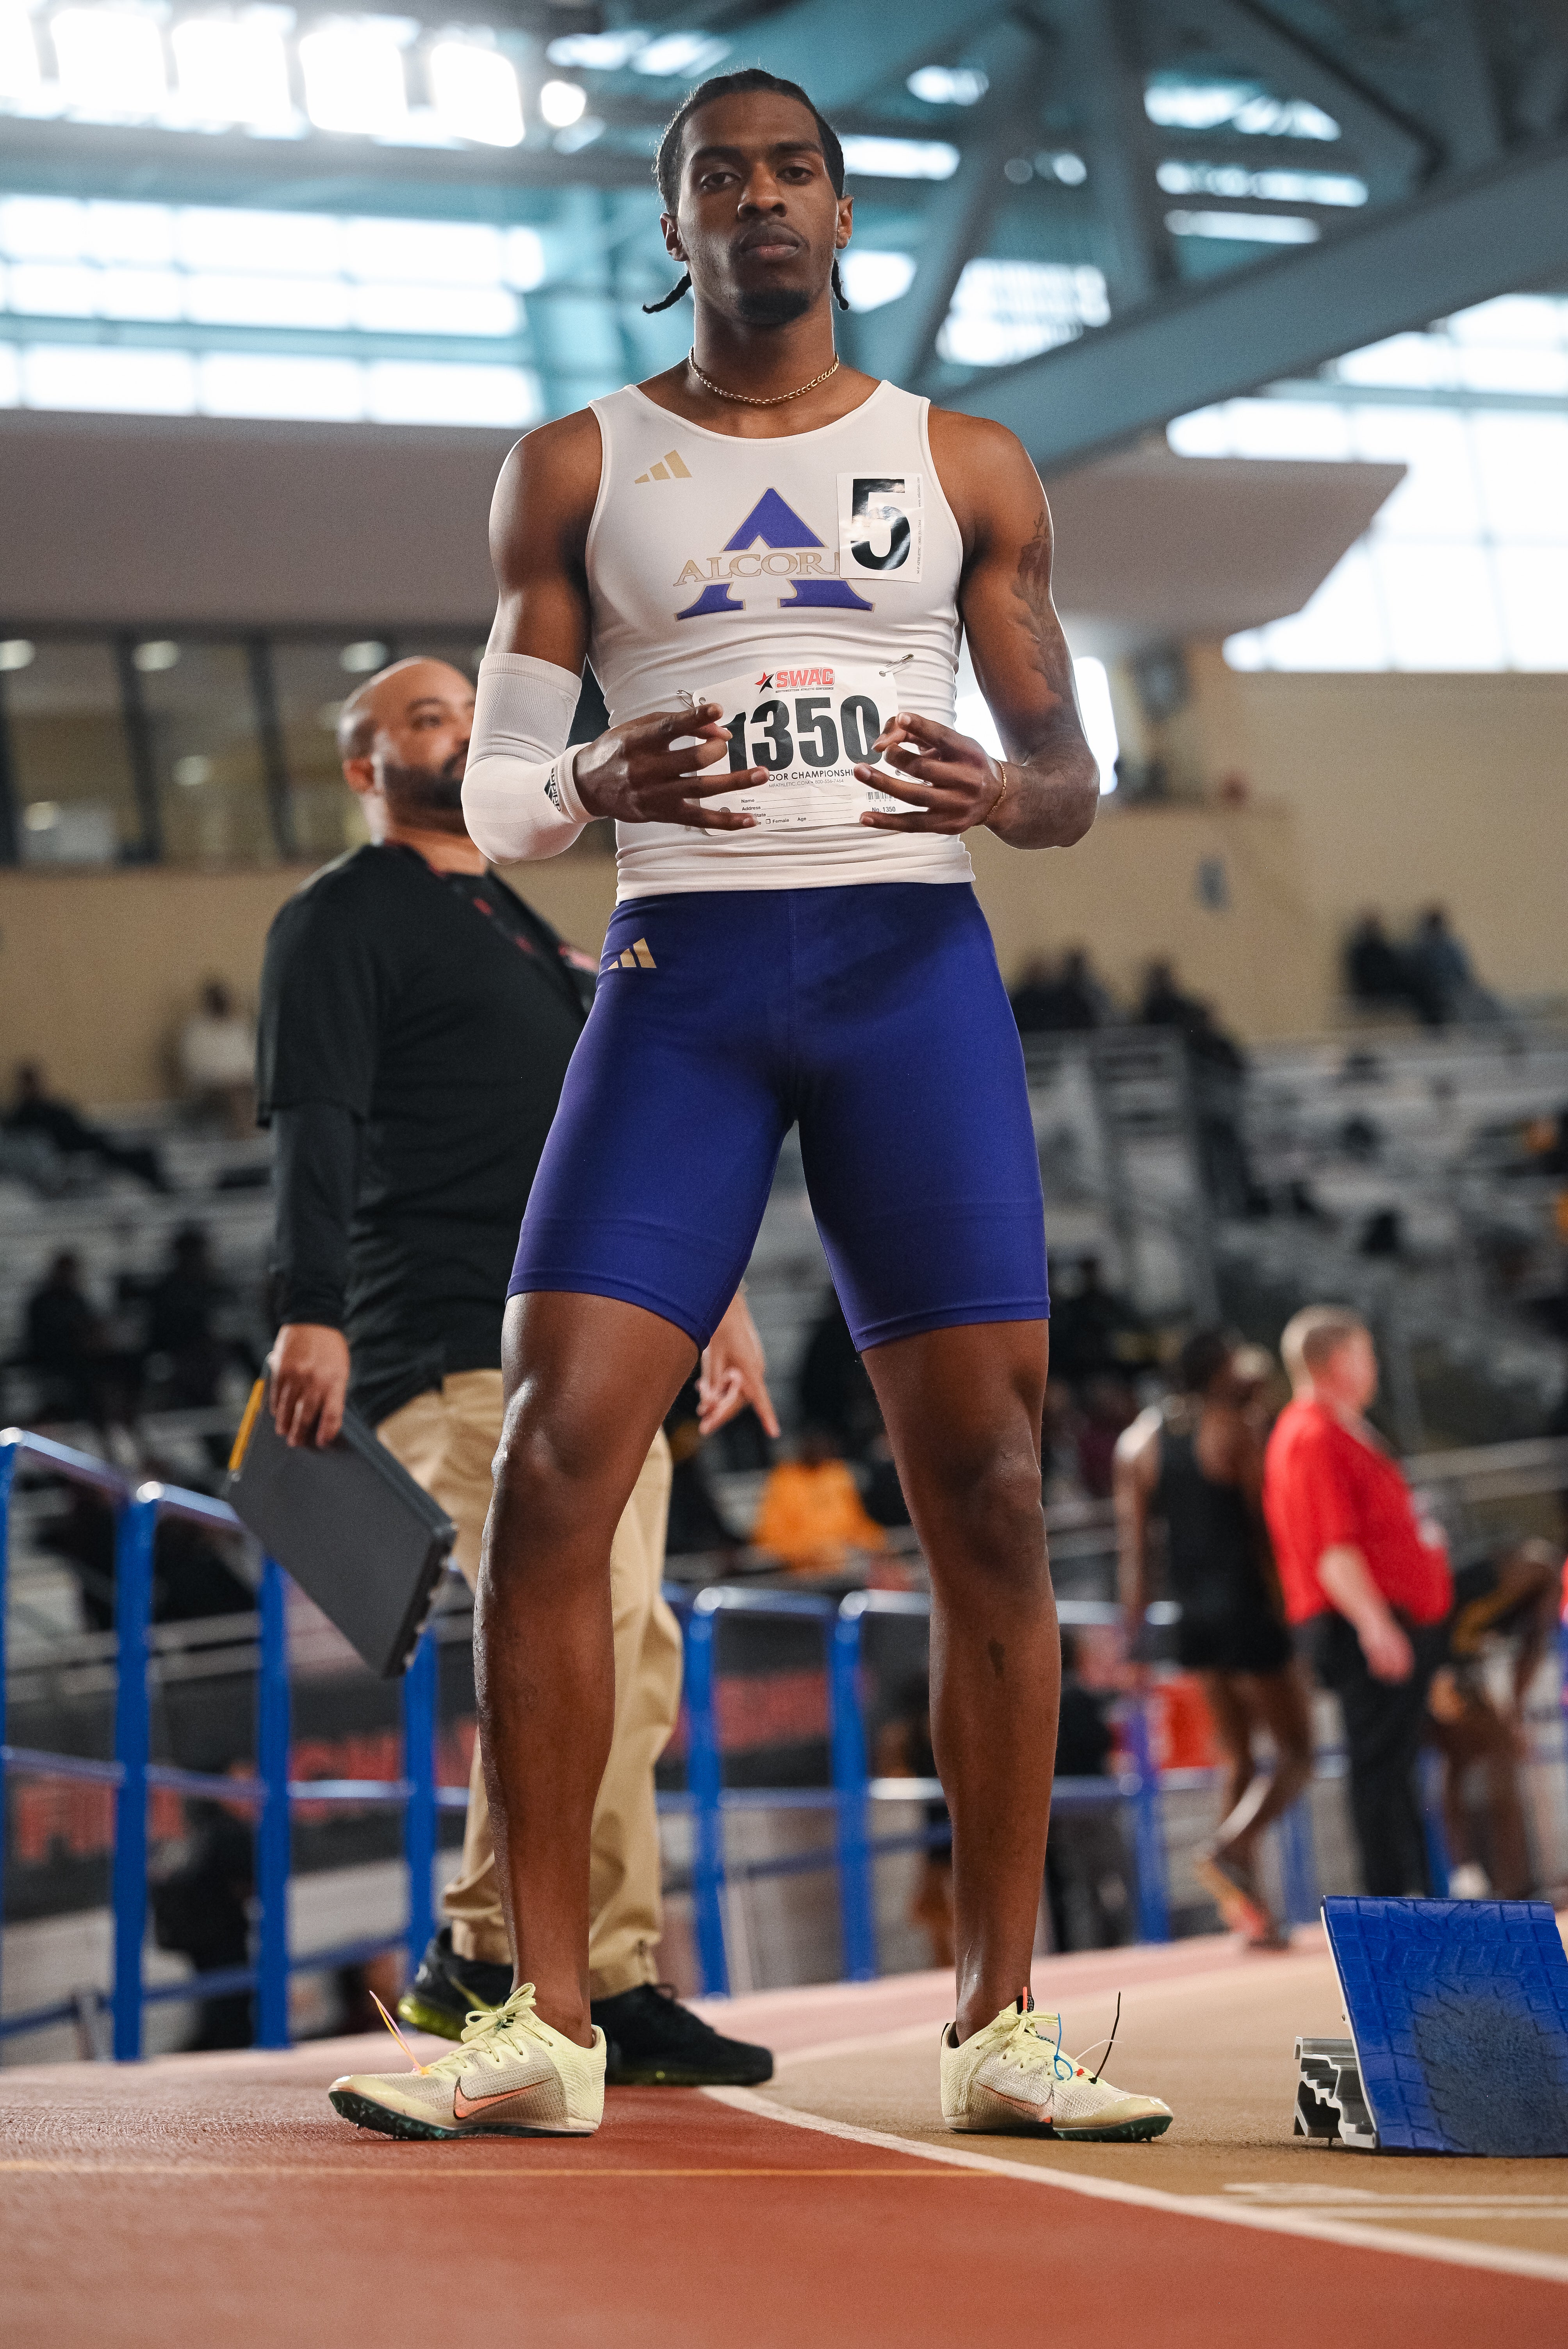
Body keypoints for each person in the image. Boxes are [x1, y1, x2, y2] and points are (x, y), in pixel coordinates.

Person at [331, 66, 1170, 2146]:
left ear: (841, 211)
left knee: (987, 1489)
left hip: (908, 975)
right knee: (551, 1466)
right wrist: (592, 775)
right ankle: (541, 2021)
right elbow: (502, 796)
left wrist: (1015, 792)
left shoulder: (963, 461)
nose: (762, 200)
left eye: (794, 170)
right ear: (677, 221)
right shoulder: (572, 466)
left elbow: (1070, 774)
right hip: (681, 984)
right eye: (723, 176)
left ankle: (999, 2026)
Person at [258, 653, 775, 2089]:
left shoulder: (523, 928)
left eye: (464, 712)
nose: (456, 731)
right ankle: (515, 1959)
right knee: (577, 1632)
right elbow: (314, 1114)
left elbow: (627, 1131)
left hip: (603, 1342)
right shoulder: (340, 915)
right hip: (456, 1337)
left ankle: (577, 1967)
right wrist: (309, 1310)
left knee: (633, 1658)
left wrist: (717, 1294)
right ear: (364, 768)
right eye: (420, 718)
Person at [1116, 1330, 1312, 1947]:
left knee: (1239, 1758)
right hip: (1246, 1606)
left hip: (1190, 1617)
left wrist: (1134, 1638)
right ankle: (1230, 1845)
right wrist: (1291, 1608)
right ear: (1221, 1370)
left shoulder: (1137, 1441)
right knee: (1299, 1752)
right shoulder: (1234, 1428)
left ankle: (1252, 1915)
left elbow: (1136, 1552)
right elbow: (1265, 1526)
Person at [1263, 1306, 1452, 1897]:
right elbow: (1332, 1550)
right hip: (1358, 1622)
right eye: (1364, 1355)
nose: (1373, 1367)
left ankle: (1411, 1896)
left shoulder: (1340, 1428)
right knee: (1380, 1768)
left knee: (1394, 1766)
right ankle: (1391, 1901)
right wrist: (1375, 1624)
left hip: (1384, 1617)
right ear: (1337, 1362)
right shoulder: (1313, 1435)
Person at [1426, 1538, 1561, 1898]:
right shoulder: (1542, 1570)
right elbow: (1533, 1646)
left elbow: (1524, 1647)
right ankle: (1509, 1883)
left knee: (1462, 1759)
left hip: (1448, 1663)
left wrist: (1512, 1715)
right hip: (1433, 1659)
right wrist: (1437, 1673)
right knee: (1493, 1754)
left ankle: (1472, 1874)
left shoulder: (1521, 1570)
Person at [4, 1062, 167, 1192]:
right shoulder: (23, 1114)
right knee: (123, 1157)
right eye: (29, 1083)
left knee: (129, 1154)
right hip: (73, 1150)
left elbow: (75, 1124)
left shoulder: (53, 1106)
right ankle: (156, 1181)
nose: (33, 1087)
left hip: (85, 1142)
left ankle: (154, 1178)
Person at [752, 1425, 886, 1572]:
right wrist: (811, 1552)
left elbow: (858, 1524)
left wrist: (876, 1543)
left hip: (849, 1561)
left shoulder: (837, 1473)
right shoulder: (785, 1479)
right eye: (813, 1444)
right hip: (804, 1570)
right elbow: (770, 1537)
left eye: (823, 1445)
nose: (818, 1449)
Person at [177, 978, 257, 1135]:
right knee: (235, 1092)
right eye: (218, 1000)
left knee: (255, 1087)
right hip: (212, 1086)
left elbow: (252, 1059)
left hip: (241, 1081)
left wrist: (243, 1077)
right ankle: (243, 1132)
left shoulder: (239, 1028)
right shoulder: (197, 1031)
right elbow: (195, 1067)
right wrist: (227, 1079)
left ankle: (254, 1131)